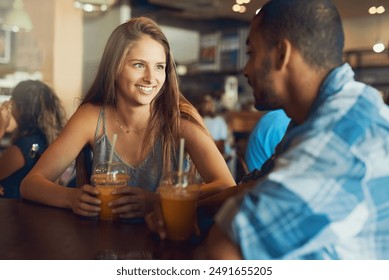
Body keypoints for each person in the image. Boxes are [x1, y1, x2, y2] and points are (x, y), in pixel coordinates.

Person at [203, 0, 389, 260]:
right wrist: (189, 208)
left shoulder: (341, 134)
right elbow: (257, 184)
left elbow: (226, 249)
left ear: (282, 54)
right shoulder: (315, 116)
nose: (246, 70)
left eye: (252, 53)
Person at [20, 17, 235, 219]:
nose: (151, 78)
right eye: (139, 65)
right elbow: (31, 184)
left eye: (159, 67)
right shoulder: (92, 117)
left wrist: (159, 200)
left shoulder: (179, 119)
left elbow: (226, 185)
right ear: (114, 68)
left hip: (165, 246)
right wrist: (71, 198)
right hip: (105, 245)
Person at [0, 80, 66, 198]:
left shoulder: (22, 148)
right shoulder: (42, 140)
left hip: (11, 212)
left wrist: (1, 128)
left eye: (13, 101)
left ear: (20, 108)